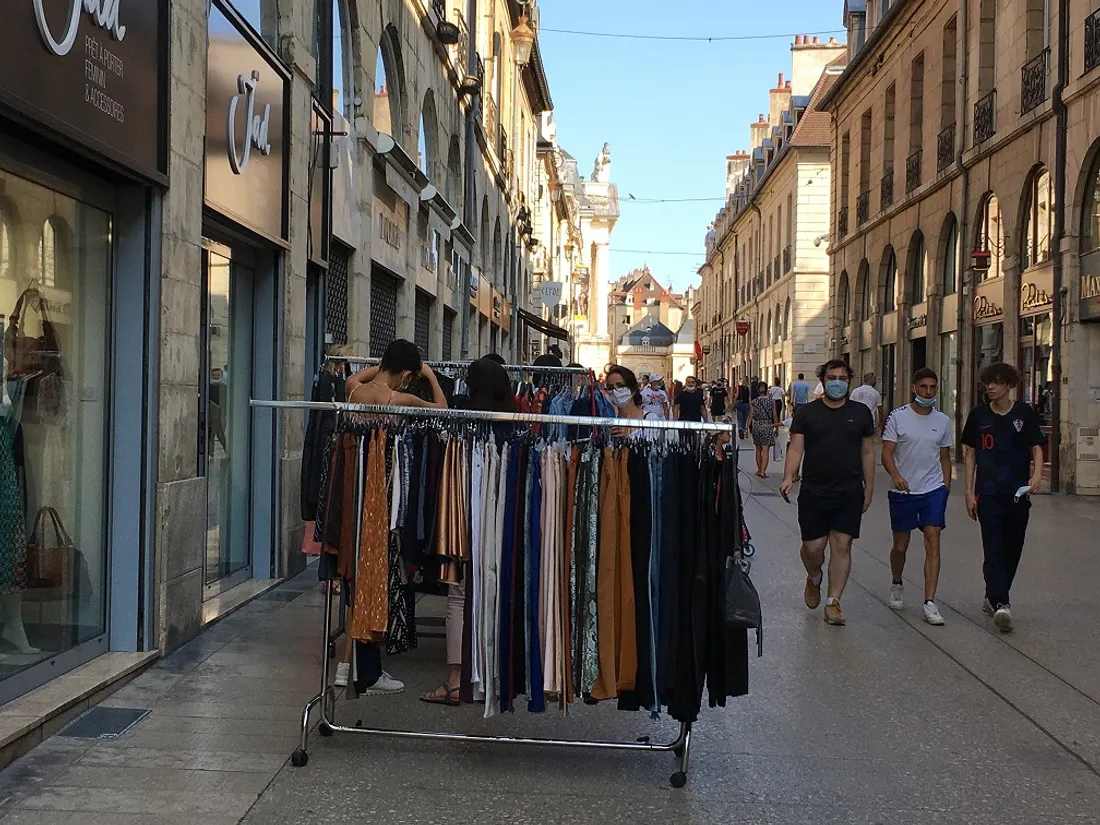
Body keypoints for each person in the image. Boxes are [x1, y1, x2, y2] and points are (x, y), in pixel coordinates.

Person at [337, 339, 448, 694]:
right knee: (376, 578)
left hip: (351, 493)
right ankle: (366, 670)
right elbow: (442, 410)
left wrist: (381, 366)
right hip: (382, 497)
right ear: (405, 374)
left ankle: (356, 667)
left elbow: (355, 376)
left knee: (356, 578)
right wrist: (429, 377)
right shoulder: (399, 401)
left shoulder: (355, 392)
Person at [422, 356, 515, 706]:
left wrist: (431, 377)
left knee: (459, 598)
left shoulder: (462, 419)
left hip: (463, 518)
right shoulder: (515, 421)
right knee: (494, 593)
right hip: (502, 519)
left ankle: (456, 680)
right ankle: (491, 675)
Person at [780, 360, 875, 626]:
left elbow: (867, 452)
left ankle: (834, 602)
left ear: (849, 381)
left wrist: (870, 488)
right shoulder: (807, 413)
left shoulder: (861, 413)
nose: (837, 382)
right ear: (823, 380)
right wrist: (789, 476)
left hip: (849, 490)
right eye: (832, 377)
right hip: (814, 490)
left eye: (843, 378)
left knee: (842, 545)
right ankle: (814, 577)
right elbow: (796, 448)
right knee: (813, 548)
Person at [961, 362, 1046, 633]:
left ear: (1009, 385)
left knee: (1012, 548)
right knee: (993, 547)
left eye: (996, 382)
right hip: (987, 492)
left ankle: (993, 595)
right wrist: (968, 492)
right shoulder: (978, 415)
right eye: (987, 382)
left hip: (1017, 493)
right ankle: (1002, 604)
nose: (990, 387)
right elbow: (971, 453)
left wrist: (1036, 477)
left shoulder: (1024, 413)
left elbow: (1036, 447)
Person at [881, 368, 953, 626]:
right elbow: (887, 452)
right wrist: (896, 475)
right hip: (903, 490)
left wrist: (944, 486)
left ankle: (930, 601)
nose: (928, 392)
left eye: (933, 387)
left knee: (933, 538)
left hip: (933, 489)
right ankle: (897, 582)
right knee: (901, 545)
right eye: (923, 387)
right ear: (914, 387)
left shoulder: (943, 420)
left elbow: (945, 456)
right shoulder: (898, 417)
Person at [605, 365, 660, 437]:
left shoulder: (650, 419)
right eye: (610, 387)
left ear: (633, 389)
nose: (615, 391)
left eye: (620, 386)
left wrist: (627, 438)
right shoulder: (610, 422)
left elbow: (651, 446)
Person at [747, 381, 780, 478]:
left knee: (758, 449)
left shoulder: (754, 402)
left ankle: (758, 469)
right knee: (765, 450)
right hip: (767, 426)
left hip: (757, 426)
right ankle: (763, 471)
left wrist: (746, 428)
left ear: (758, 390)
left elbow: (750, 415)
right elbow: (774, 415)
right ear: (767, 390)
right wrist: (776, 427)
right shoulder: (772, 401)